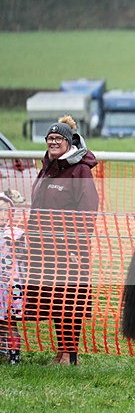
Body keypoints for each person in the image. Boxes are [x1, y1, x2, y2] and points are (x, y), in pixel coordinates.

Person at [24, 116, 99, 365]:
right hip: (45, 248)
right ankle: (61, 351)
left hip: (69, 249)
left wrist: (76, 247)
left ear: (69, 142)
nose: (53, 142)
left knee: (70, 302)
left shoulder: (80, 171)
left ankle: (70, 353)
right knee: (55, 301)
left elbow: (88, 212)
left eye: (58, 138)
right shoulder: (47, 168)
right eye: (50, 138)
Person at [0, 192, 27, 365]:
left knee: (9, 322)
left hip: (10, 286)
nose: (3, 215)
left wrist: (17, 241)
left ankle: (14, 356)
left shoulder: (16, 233)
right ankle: (2, 351)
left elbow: (24, 253)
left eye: (6, 211)